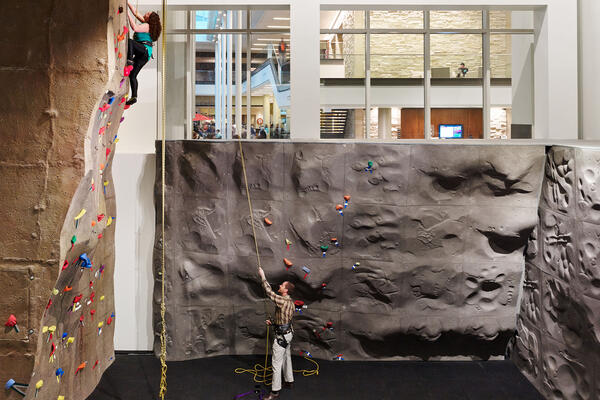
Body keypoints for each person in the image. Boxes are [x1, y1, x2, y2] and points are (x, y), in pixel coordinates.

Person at [257, 267, 295, 400]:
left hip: (281, 337)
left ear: (286, 290)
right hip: (288, 334)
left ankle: (274, 393)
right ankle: (289, 381)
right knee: (287, 358)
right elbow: (284, 319)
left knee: (276, 364)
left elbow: (269, 292)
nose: (279, 286)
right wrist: (273, 323)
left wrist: (263, 276)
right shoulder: (291, 302)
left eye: (282, 285)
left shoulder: (282, 300)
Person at [125, 1, 162, 106]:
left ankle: (130, 61)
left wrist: (127, 14)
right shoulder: (147, 24)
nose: (145, 14)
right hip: (146, 54)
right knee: (132, 76)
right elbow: (136, 13)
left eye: (147, 14)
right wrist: (127, 3)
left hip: (144, 50)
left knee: (130, 42)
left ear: (149, 19)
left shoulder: (147, 26)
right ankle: (134, 96)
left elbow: (135, 28)